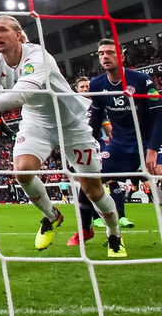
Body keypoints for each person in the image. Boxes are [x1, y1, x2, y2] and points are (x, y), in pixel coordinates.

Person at [0, 15, 125, 256]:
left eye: (3, 30)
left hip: (71, 123)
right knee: (22, 170)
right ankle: (51, 216)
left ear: (18, 34)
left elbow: (21, 94)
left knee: (93, 191)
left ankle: (114, 234)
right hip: (36, 122)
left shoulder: (38, 56)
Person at [69, 39, 162, 246]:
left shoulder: (141, 81)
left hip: (149, 140)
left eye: (110, 52)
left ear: (121, 56)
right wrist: (85, 147)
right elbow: (94, 120)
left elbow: (159, 116)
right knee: (88, 179)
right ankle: (85, 229)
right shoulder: (96, 84)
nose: (105, 57)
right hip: (120, 144)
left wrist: (153, 148)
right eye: (101, 53)